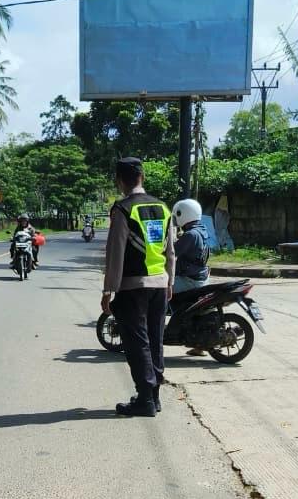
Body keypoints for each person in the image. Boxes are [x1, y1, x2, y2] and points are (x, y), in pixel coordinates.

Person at [101, 157, 175, 417]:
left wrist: (108, 290)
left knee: (137, 344)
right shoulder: (163, 207)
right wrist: (170, 282)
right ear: (142, 177)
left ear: (119, 181)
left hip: (133, 287)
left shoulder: (123, 209)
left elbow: (116, 252)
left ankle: (144, 399)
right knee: (155, 340)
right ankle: (154, 397)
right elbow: (170, 251)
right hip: (159, 284)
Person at [172, 198, 210, 357]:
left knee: (157, 292)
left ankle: (159, 330)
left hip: (190, 280)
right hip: (199, 277)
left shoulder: (190, 235)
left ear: (184, 214)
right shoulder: (201, 230)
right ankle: (198, 346)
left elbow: (171, 252)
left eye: (177, 214)